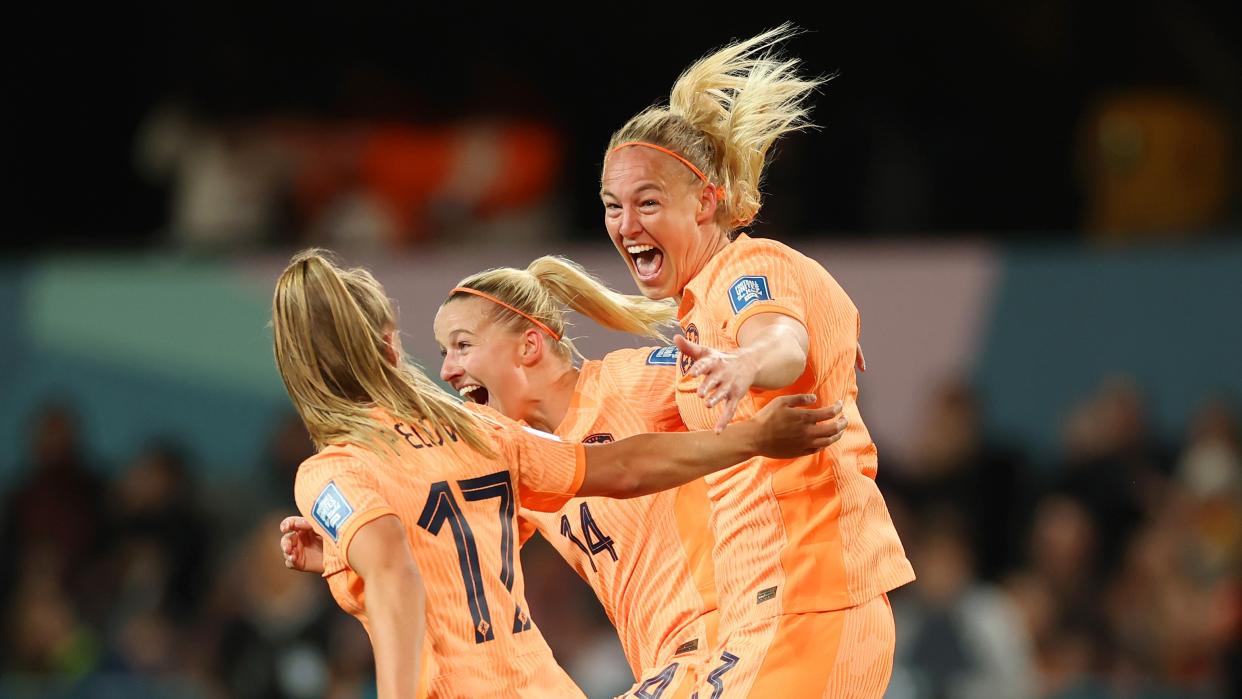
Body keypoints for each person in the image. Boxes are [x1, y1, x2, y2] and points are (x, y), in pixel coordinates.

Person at [272, 248, 845, 698]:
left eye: (463, 345)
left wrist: (781, 358)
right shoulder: (484, 438)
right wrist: (349, 555)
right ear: (391, 348)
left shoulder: (334, 470)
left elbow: (398, 573)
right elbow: (616, 471)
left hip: (719, 643)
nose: (446, 368)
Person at [597, 24, 915, 696]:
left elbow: (782, 342)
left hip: (812, 602)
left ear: (705, 201)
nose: (626, 224)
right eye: (612, 206)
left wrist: (745, 363)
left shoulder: (751, 266)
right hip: (755, 620)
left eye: (647, 202)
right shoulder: (693, 313)